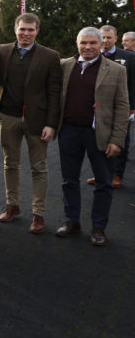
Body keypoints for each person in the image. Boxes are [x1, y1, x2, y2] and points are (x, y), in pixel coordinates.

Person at [55, 27, 128, 246]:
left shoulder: (116, 70)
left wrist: (117, 139)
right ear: (77, 44)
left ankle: (98, 227)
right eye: (83, 43)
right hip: (69, 131)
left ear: (101, 44)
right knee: (69, 180)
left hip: (100, 134)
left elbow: (122, 106)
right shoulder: (64, 66)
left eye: (92, 43)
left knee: (104, 183)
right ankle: (72, 221)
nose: (87, 47)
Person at [0, 13, 61, 233]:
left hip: (37, 120)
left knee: (39, 168)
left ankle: (38, 214)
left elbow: (54, 93)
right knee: (10, 164)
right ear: (15, 29)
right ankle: (12, 205)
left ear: (37, 31)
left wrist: (51, 124)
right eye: (22, 29)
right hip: (8, 117)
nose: (26, 33)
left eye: (30, 30)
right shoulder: (2, 51)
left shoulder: (50, 56)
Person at [86, 25, 135, 189]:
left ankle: (116, 175)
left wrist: (133, 106)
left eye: (109, 37)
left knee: (120, 139)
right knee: (98, 141)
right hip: (97, 107)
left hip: (121, 106)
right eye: (103, 37)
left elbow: (133, 82)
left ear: (116, 39)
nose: (105, 40)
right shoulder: (91, 56)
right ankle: (101, 173)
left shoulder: (129, 57)